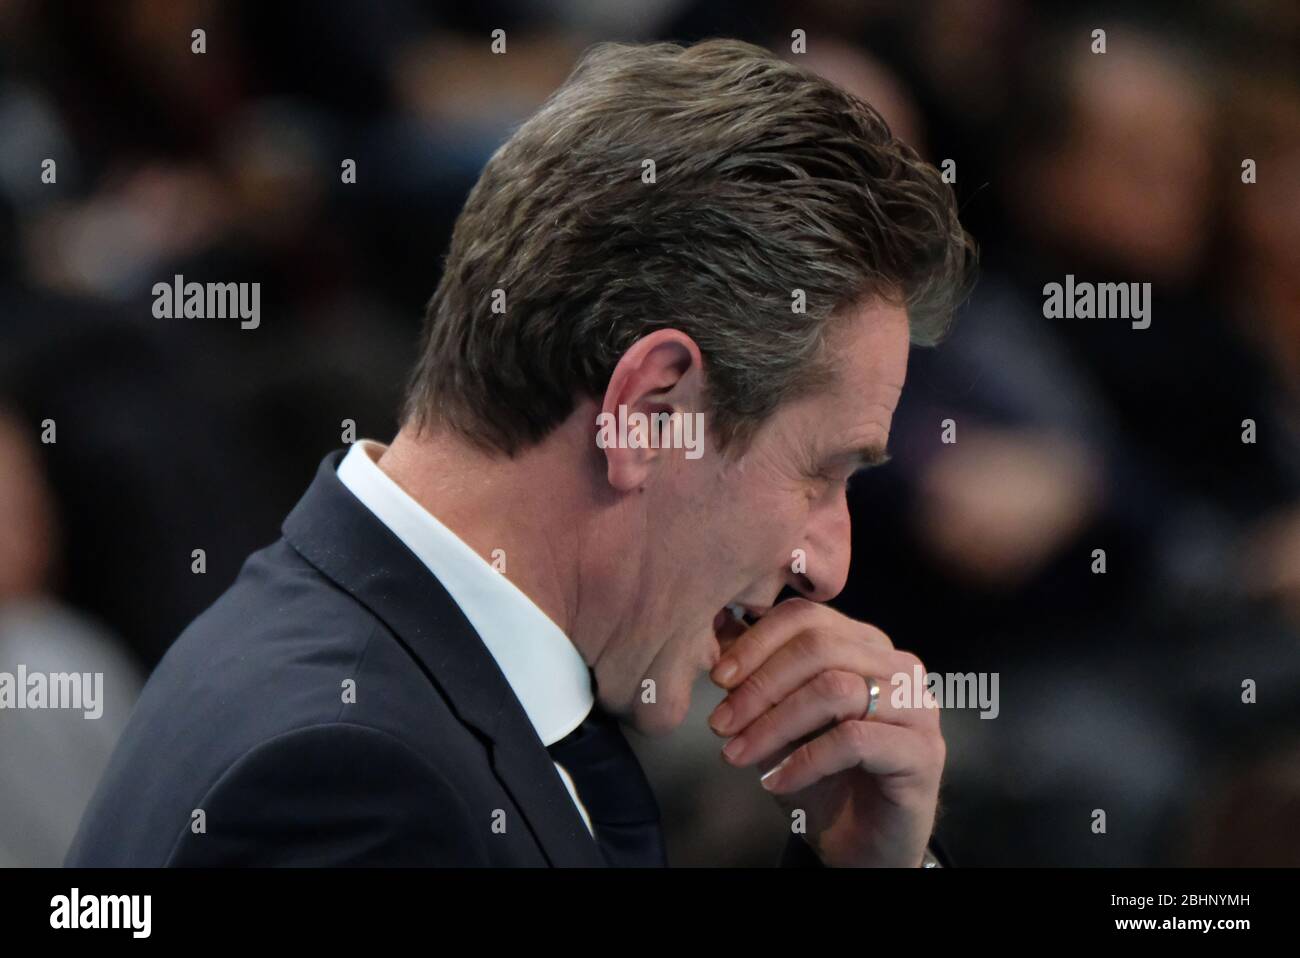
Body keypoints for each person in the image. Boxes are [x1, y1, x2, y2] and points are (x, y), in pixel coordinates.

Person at [65, 39, 974, 868]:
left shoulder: (388, 674)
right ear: (652, 412)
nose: (829, 563)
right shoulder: (352, 787)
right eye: (822, 471)